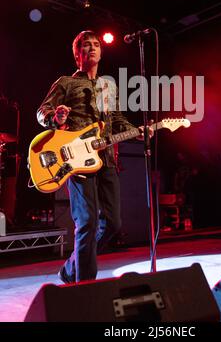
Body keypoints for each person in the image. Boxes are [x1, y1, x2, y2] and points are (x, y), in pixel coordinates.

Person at [37, 30, 152, 283]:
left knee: (112, 224)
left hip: (107, 159)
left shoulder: (108, 85)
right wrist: (56, 117)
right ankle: (85, 286)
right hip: (77, 161)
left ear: (101, 52)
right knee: (87, 221)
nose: (91, 48)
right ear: (77, 53)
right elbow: (42, 112)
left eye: (96, 45)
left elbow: (117, 120)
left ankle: (70, 269)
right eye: (85, 45)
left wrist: (138, 132)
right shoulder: (66, 82)